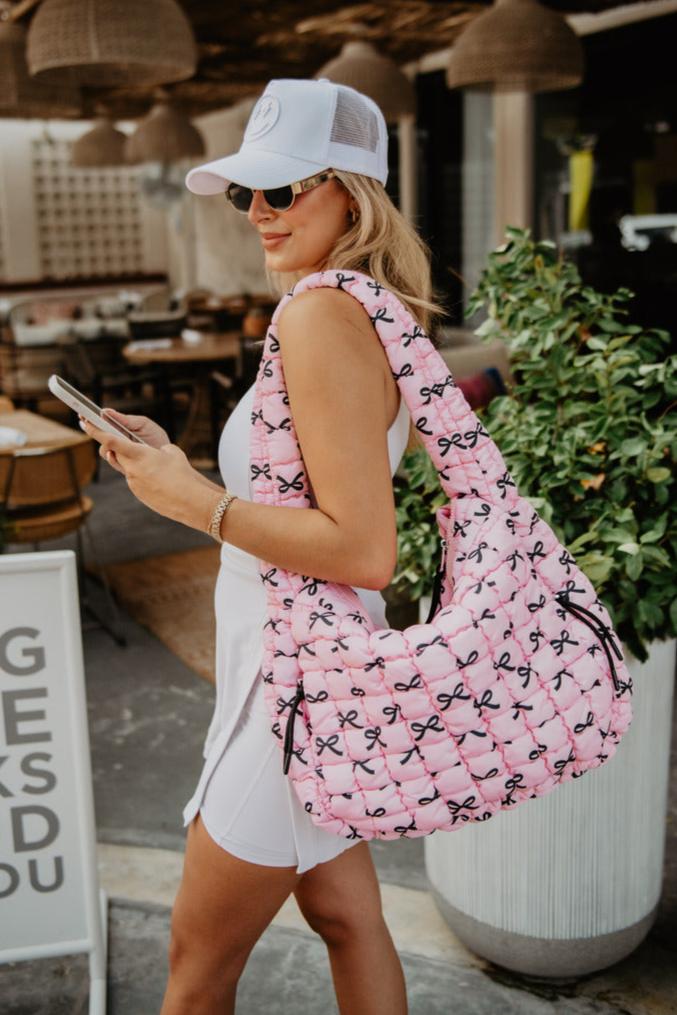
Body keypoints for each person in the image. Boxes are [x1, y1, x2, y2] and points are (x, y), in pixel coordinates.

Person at [81, 77, 442, 1015]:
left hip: (288, 689)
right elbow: (311, 491)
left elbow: (364, 548)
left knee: (195, 969)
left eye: (284, 189)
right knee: (348, 922)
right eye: (248, 192)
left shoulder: (319, 314)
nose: (258, 213)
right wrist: (180, 467)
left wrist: (195, 501)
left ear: (353, 193)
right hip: (303, 670)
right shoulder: (365, 306)